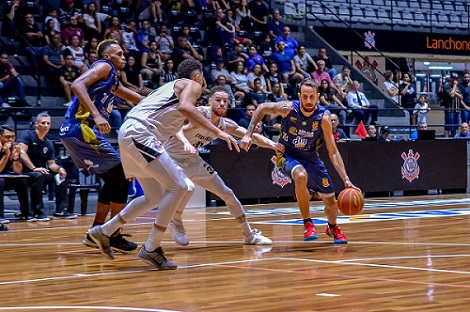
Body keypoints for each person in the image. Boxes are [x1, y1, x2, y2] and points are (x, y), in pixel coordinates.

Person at [87, 59, 239, 269]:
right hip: (141, 133)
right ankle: (151, 248)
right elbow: (186, 107)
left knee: (155, 196)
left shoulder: (166, 89)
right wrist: (218, 131)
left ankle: (103, 231)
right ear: (198, 76)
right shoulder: (192, 85)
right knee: (180, 186)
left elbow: (162, 111)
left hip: (131, 133)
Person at [240, 79, 359, 243]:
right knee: (301, 176)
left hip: (311, 157)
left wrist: (346, 179)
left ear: (318, 97)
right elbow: (261, 108)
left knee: (331, 202)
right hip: (287, 154)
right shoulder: (287, 109)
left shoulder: (323, 119)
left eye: (312, 97)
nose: (308, 101)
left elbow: (333, 152)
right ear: (299, 96)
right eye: (305, 97)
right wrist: (248, 134)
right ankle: (308, 223)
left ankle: (332, 227)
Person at [60, 39, 145, 253]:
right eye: (119, 53)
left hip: (74, 132)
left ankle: (96, 231)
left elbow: (131, 95)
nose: (124, 56)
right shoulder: (103, 66)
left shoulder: (111, 79)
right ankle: (111, 233)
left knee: (113, 179)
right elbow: (76, 84)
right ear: (108, 57)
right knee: (124, 175)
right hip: (82, 128)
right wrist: (97, 115)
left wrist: (160, 101)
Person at [166, 86, 274, 245]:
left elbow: (250, 136)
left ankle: (249, 235)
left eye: (225, 101)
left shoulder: (226, 124)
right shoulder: (199, 113)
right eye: (218, 100)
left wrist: (274, 145)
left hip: (192, 160)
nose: (222, 103)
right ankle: (175, 221)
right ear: (210, 101)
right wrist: (184, 142)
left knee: (227, 193)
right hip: (171, 157)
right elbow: (175, 128)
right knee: (188, 187)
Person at [18, 113, 77, 220]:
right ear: (36, 124)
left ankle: (61, 209)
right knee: (38, 175)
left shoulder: (48, 143)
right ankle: (37, 211)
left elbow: (51, 164)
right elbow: (22, 152)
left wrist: (59, 169)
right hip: (25, 172)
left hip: (41, 172)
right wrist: (33, 168)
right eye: (43, 123)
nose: (46, 125)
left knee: (60, 176)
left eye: (48, 123)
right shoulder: (27, 134)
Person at [0, 124, 31, 226]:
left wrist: (15, 158)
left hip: (5, 177)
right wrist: (6, 155)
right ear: (0, 136)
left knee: (21, 180)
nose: (11, 140)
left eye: (13, 137)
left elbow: (18, 171)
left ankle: (25, 213)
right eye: (7, 137)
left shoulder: (14, 147)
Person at [443, 73, 462, 137]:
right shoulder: (446, 86)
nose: (455, 80)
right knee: (448, 127)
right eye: (453, 78)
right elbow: (451, 95)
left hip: (457, 110)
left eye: (456, 79)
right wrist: (454, 85)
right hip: (449, 110)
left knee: (456, 127)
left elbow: (461, 97)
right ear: (450, 79)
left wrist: (454, 92)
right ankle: (446, 140)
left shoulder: (458, 87)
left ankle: (454, 139)